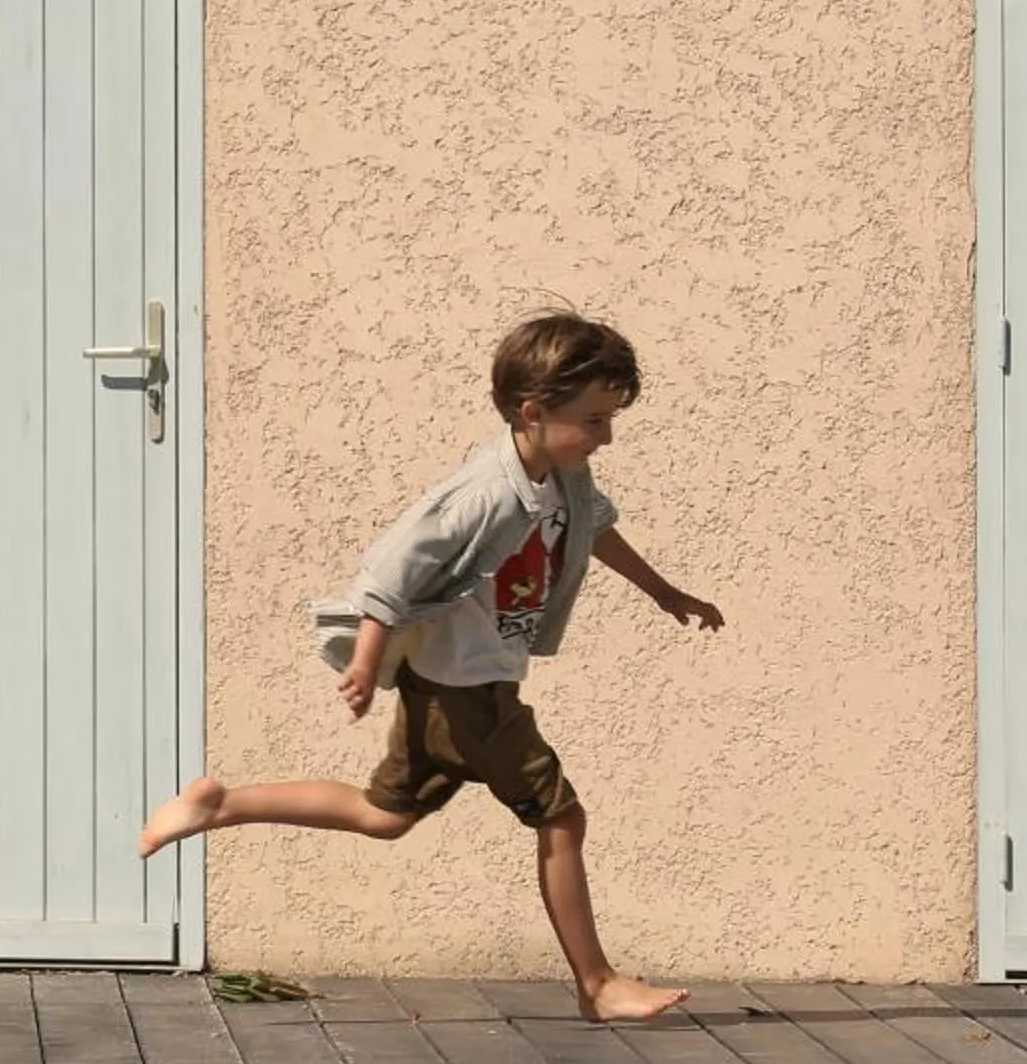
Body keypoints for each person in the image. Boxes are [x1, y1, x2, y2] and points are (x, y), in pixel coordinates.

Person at [139, 310, 723, 1023]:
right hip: (467, 692)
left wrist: (665, 592)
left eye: (610, 418)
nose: (605, 437)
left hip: (460, 686)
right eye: (594, 420)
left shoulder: (563, 479)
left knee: (382, 815)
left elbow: (597, 530)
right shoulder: (482, 493)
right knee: (562, 820)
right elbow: (392, 572)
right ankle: (597, 985)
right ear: (533, 412)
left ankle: (220, 805)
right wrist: (363, 662)